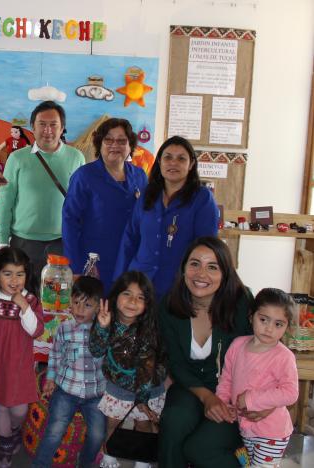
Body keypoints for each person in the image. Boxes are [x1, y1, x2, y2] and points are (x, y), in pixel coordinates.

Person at [158, 236, 257, 468]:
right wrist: (207, 397)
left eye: (212, 267)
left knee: (200, 449)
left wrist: (257, 400)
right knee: (174, 423)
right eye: (194, 264)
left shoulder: (242, 302)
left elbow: (261, 352)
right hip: (191, 385)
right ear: (183, 269)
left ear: (225, 274)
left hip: (235, 391)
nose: (201, 274)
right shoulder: (169, 305)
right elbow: (176, 363)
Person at [114, 135, 218, 299]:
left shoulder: (202, 198)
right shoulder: (147, 195)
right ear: (160, 163)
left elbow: (207, 248)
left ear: (191, 164)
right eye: (167, 157)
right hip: (139, 286)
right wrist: (119, 282)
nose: (173, 163)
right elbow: (129, 240)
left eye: (181, 158)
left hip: (179, 287)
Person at [0, 100, 85, 285]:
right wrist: (2, 242)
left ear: (62, 128)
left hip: (62, 243)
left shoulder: (76, 158)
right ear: (32, 128)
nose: (48, 130)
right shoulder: (17, 158)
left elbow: (83, 203)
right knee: (21, 297)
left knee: (56, 301)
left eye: (53, 125)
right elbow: (5, 201)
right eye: (42, 124)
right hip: (23, 243)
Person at [90, 271, 166, 468]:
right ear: (115, 297)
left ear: (147, 304)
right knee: (113, 423)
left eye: (141, 297)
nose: (133, 301)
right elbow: (96, 351)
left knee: (143, 425)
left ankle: (142, 459)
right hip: (118, 387)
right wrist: (102, 327)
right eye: (127, 294)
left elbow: (146, 367)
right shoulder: (107, 320)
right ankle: (109, 453)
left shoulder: (148, 330)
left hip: (146, 388)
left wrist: (142, 399)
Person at [216, 288, 299, 467]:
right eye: (263, 320)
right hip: (245, 428)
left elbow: (290, 393)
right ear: (251, 316)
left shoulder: (284, 357)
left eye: (278, 324)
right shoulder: (238, 345)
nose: (269, 329)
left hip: (272, 432)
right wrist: (224, 403)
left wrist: (252, 399)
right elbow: (227, 378)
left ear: (286, 327)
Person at [0, 247, 44, 467]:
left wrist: (24, 306)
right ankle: (5, 445)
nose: (14, 280)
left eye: (20, 274)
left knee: (19, 409)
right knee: (1, 406)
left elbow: (36, 330)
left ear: (27, 275)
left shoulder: (31, 301)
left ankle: (15, 432)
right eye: (8, 274)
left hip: (19, 366)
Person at [62, 118, 147, 292]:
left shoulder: (140, 176)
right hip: (94, 263)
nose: (114, 145)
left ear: (130, 146)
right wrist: (76, 268)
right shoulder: (84, 176)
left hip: (131, 262)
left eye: (122, 140)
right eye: (108, 139)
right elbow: (69, 223)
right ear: (99, 144)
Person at [33, 276, 106, 468]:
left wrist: (105, 330)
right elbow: (55, 355)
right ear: (70, 303)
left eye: (88, 305)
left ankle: (85, 462)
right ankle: (40, 464)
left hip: (95, 394)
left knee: (98, 433)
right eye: (76, 303)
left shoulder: (103, 330)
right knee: (54, 430)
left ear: (98, 307)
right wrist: (50, 379)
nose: (80, 310)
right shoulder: (64, 328)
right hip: (66, 390)